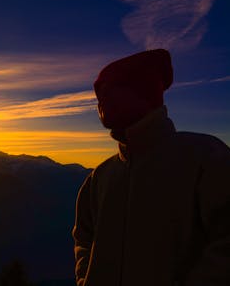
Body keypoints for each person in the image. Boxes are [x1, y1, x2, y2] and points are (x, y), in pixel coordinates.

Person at [72, 49, 230, 286]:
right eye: (98, 94)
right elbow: (84, 238)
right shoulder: (99, 177)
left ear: (143, 93)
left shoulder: (206, 158)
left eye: (110, 90)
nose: (100, 101)